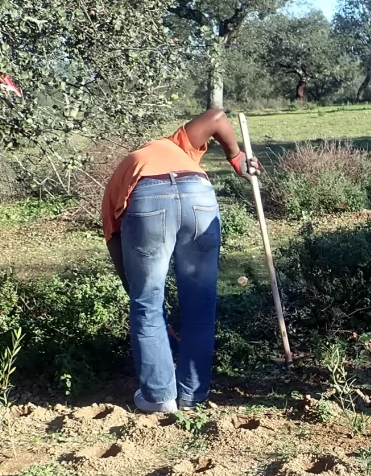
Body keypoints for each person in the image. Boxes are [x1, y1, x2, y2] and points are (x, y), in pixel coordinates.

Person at [102, 109, 258, 414]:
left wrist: (143, 298)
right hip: (199, 196)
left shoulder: (125, 173)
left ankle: (159, 397)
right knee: (200, 305)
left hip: (146, 199)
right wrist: (237, 158)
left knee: (145, 304)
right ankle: (193, 395)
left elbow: (117, 246)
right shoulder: (179, 145)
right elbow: (216, 117)